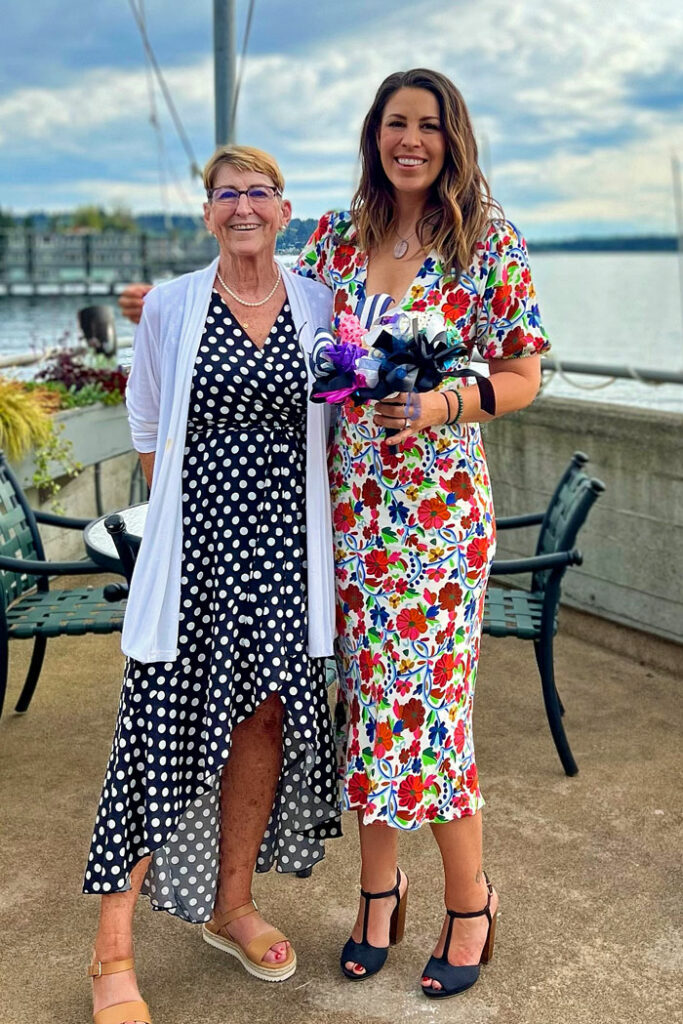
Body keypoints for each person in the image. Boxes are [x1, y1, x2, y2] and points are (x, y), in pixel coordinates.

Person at [293, 68, 549, 998]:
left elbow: (522, 376)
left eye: (428, 125)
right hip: (349, 509)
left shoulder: (486, 240)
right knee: (364, 705)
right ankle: (377, 891)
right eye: (395, 122)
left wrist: (442, 402)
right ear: (374, 134)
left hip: (437, 516)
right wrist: (163, 313)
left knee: (429, 713)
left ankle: (470, 902)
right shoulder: (334, 237)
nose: (411, 139)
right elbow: (276, 320)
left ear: (452, 138)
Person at [85, 145, 341, 1024]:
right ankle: (111, 949)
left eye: (258, 192)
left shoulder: (319, 303)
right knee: (158, 727)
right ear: (207, 214)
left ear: (284, 210)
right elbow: (147, 419)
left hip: (286, 556)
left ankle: (231, 906)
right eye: (225, 194)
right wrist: (179, 528)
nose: (242, 207)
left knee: (263, 717)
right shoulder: (171, 304)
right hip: (196, 553)